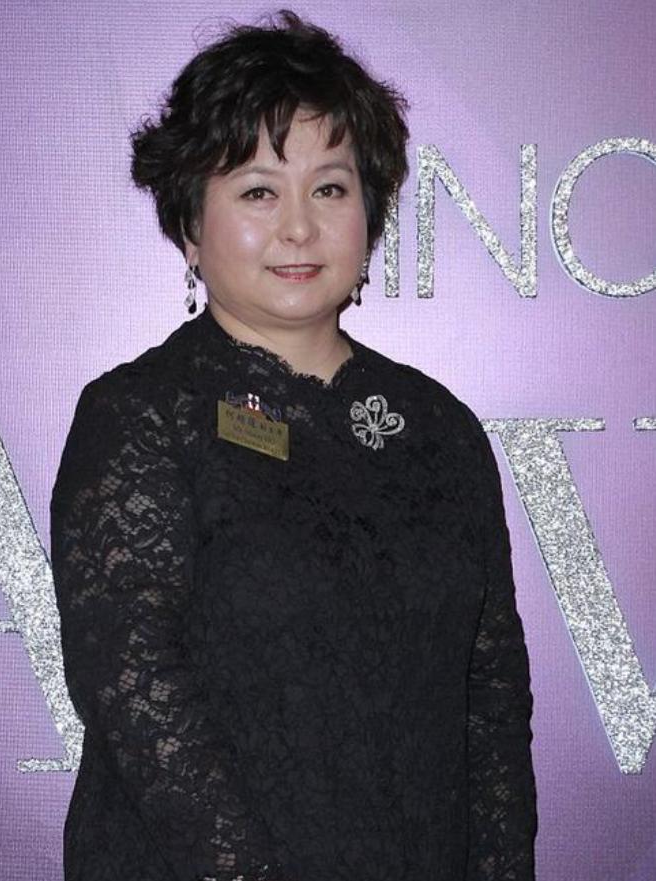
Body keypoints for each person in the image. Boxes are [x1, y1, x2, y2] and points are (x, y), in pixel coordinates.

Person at [50, 9, 537, 881]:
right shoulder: (142, 415)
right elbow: (134, 694)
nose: (299, 228)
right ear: (189, 225)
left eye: (330, 188)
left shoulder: (438, 428)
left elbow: (490, 692)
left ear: (370, 211)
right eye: (257, 191)